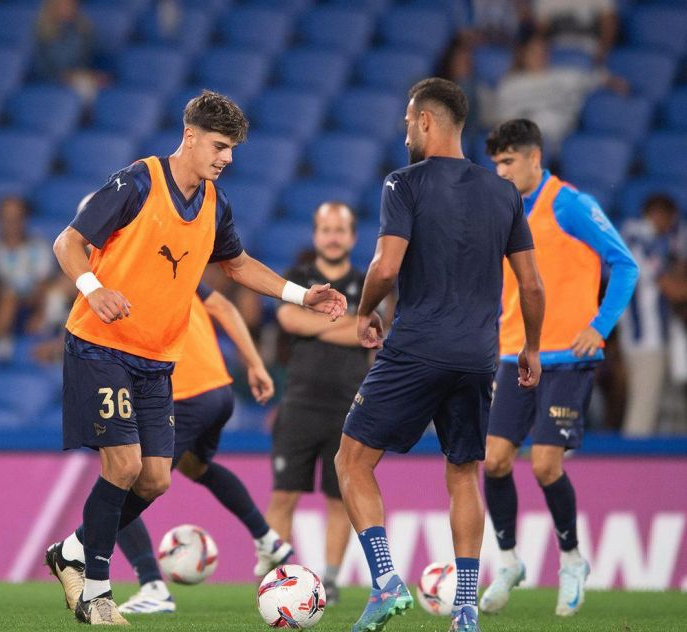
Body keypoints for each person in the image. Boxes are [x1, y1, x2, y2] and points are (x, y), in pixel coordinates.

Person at [43, 90, 347, 625]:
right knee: (124, 464)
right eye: (219, 145)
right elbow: (67, 242)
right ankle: (94, 589)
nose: (227, 158)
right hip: (101, 345)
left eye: (232, 149)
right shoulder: (137, 181)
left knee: (156, 479)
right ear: (190, 136)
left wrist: (303, 295)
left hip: (159, 360)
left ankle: (72, 549)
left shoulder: (215, 204)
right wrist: (93, 288)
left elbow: (238, 265)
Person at [335, 78, 545, 632]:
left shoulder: (403, 184)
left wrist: (365, 312)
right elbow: (532, 287)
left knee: (352, 461)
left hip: (418, 345)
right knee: (463, 474)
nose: (405, 129)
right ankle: (467, 609)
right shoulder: (505, 193)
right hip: (479, 354)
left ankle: (384, 582)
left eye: (409, 120)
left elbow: (384, 267)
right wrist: (529, 346)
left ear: (426, 122)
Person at [480, 119, 637, 618]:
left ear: (534, 156)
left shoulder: (568, 204)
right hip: (514, 355)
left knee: (545, 464)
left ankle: (572, 559)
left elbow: (626, 264)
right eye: (496, 163)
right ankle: (508, 560)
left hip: (568, 357)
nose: (501, 171)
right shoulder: (503, 211)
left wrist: (601, 324)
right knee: (495, 460)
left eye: (508, 161)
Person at [113, 281, 282, 614]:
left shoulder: (122, 276)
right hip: (218, 391)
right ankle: (267, 540)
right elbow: (224, 307)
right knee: (196, 466)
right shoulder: (180, 266)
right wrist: (255, 364)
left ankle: (152, 586)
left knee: (118, 490)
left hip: (184, 394)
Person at [266, 201, 370, 606]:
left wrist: (318, 323)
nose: (332, 236)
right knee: (283, 494)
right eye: (326, 229)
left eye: (339, 230)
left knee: (338, 497)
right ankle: (275, 576)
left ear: (352, 237)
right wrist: (347, 323)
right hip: (299, 402)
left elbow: (368, 335)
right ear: (315, 235)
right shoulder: (299, 278)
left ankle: (331, 578)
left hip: (349, 406)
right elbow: (288, 321)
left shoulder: (368, 280)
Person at [618, 194, 687, 437]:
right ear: (659, 214)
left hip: (657, 337)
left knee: (663, 408)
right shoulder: (638, 239)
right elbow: (672, 289)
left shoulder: (651, 239)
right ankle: (629, 468)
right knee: (643, 410)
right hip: (645, 338)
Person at [492, 33, 626, 154]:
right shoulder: (510, 85)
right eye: (534, 51)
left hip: (557, 140)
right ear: (523, 54)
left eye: (543, 51)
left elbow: (595, 77)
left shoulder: (564, 76)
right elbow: (503, 120)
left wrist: (613, 82)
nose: (540, 55)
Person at [0, 195, 56, 316]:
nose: (11, 224)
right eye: (6, 219)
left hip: (30, 305)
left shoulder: (39, 248)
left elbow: (43, 282)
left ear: (25, 219)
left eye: (16, 218)